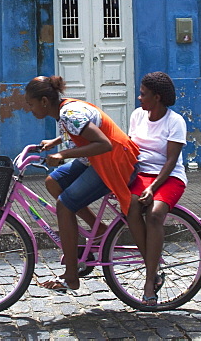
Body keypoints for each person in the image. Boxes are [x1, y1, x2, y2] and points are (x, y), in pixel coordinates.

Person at [25, 75, 139, 292]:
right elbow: (79, 130)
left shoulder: (69, 114)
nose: (30, 109)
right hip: (95, 159)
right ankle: (98, 233)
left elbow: (103, 143)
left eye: (31, 104)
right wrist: (56, 142)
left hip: (113, 161)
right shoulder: (63, 112)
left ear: (44, 102)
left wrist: (63, 154)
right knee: (53, 182)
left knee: (65, 205)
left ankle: (71, 275)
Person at [125, 71, 188, 305]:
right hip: (141, 173)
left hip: (168, 176)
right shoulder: (137, 116)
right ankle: (152, 262)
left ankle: (150, 279)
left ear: (157, 97)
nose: (139, 98)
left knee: (154, 215)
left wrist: (152, 188)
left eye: (143, 94)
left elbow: (171, 161)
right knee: (129, 206)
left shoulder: (175, 121)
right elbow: (131, 150)